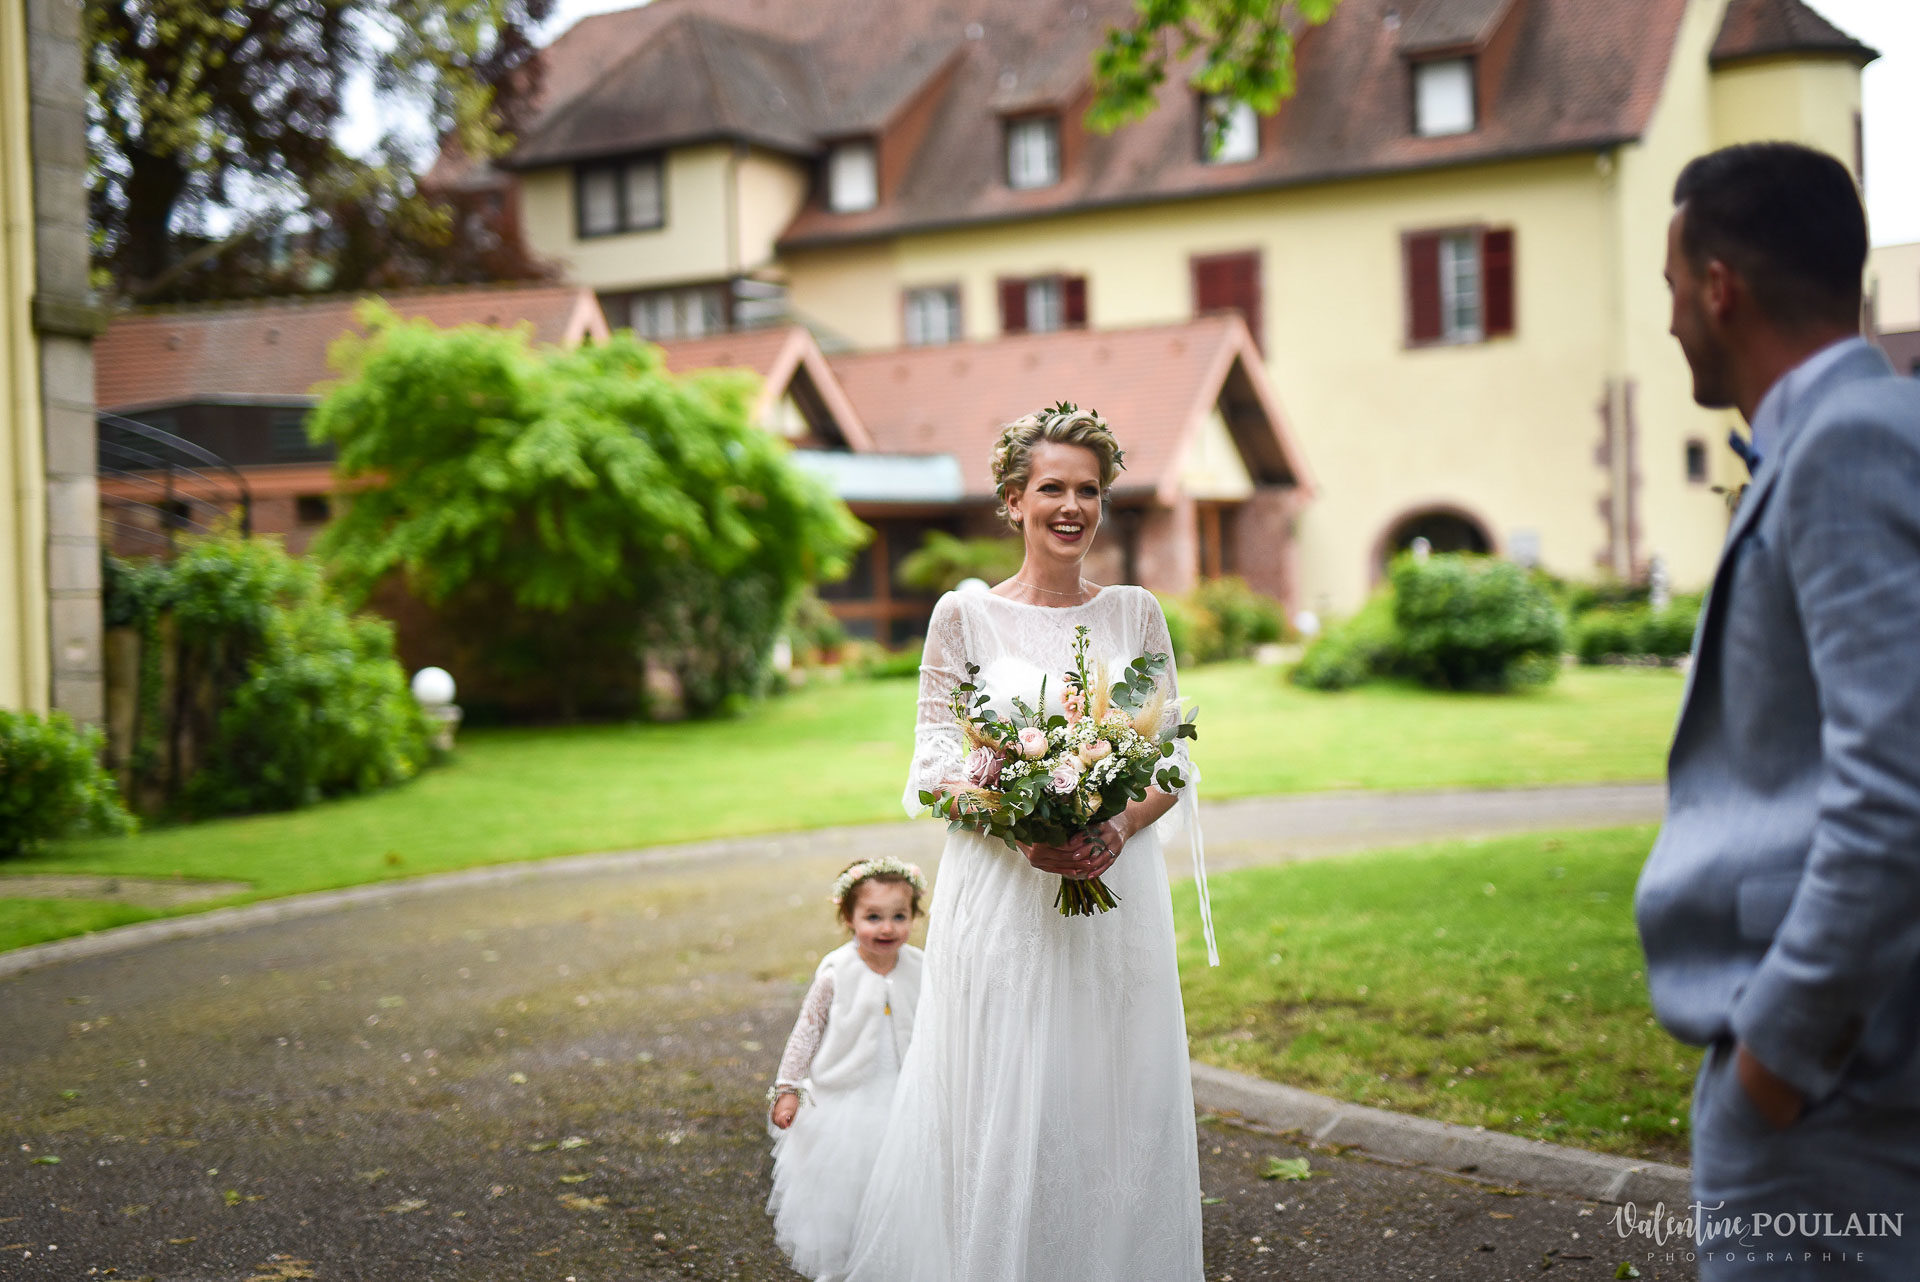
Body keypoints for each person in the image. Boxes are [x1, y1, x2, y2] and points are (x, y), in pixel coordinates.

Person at [842, 403, 1215, 1282]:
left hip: (1114, 898)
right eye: (1052, 488)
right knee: (1003, 1092)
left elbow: (1169, 758)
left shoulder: (1136, 614)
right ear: (1013, 501)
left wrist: (1117, 823)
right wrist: (1023, 833)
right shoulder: (964, 617)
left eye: (1089, 490)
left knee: (1111, 1091)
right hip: (1003, 897)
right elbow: (936, 764)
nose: (1071, 507)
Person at [1636, 141, 1920, 1278]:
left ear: (1719, 289)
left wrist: (1778, 1060)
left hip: (1834, 1090)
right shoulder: (1866, 432)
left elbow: (1896, 792)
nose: (1667, 320)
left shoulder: (1850, 444)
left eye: (1670, 287)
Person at [766, 858, 927, 1282]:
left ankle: (893, 1259)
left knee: (901, 1182)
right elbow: (807, 1030)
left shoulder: (921, 968)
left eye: (899, 916)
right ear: (849, 918)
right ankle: (838, 1264)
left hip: (904, 1094)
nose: (887, 928)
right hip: (846, 1100)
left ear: (914, 916)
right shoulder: (837, 970)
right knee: (844, 1185)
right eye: (873, 917)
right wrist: (788, 1088)